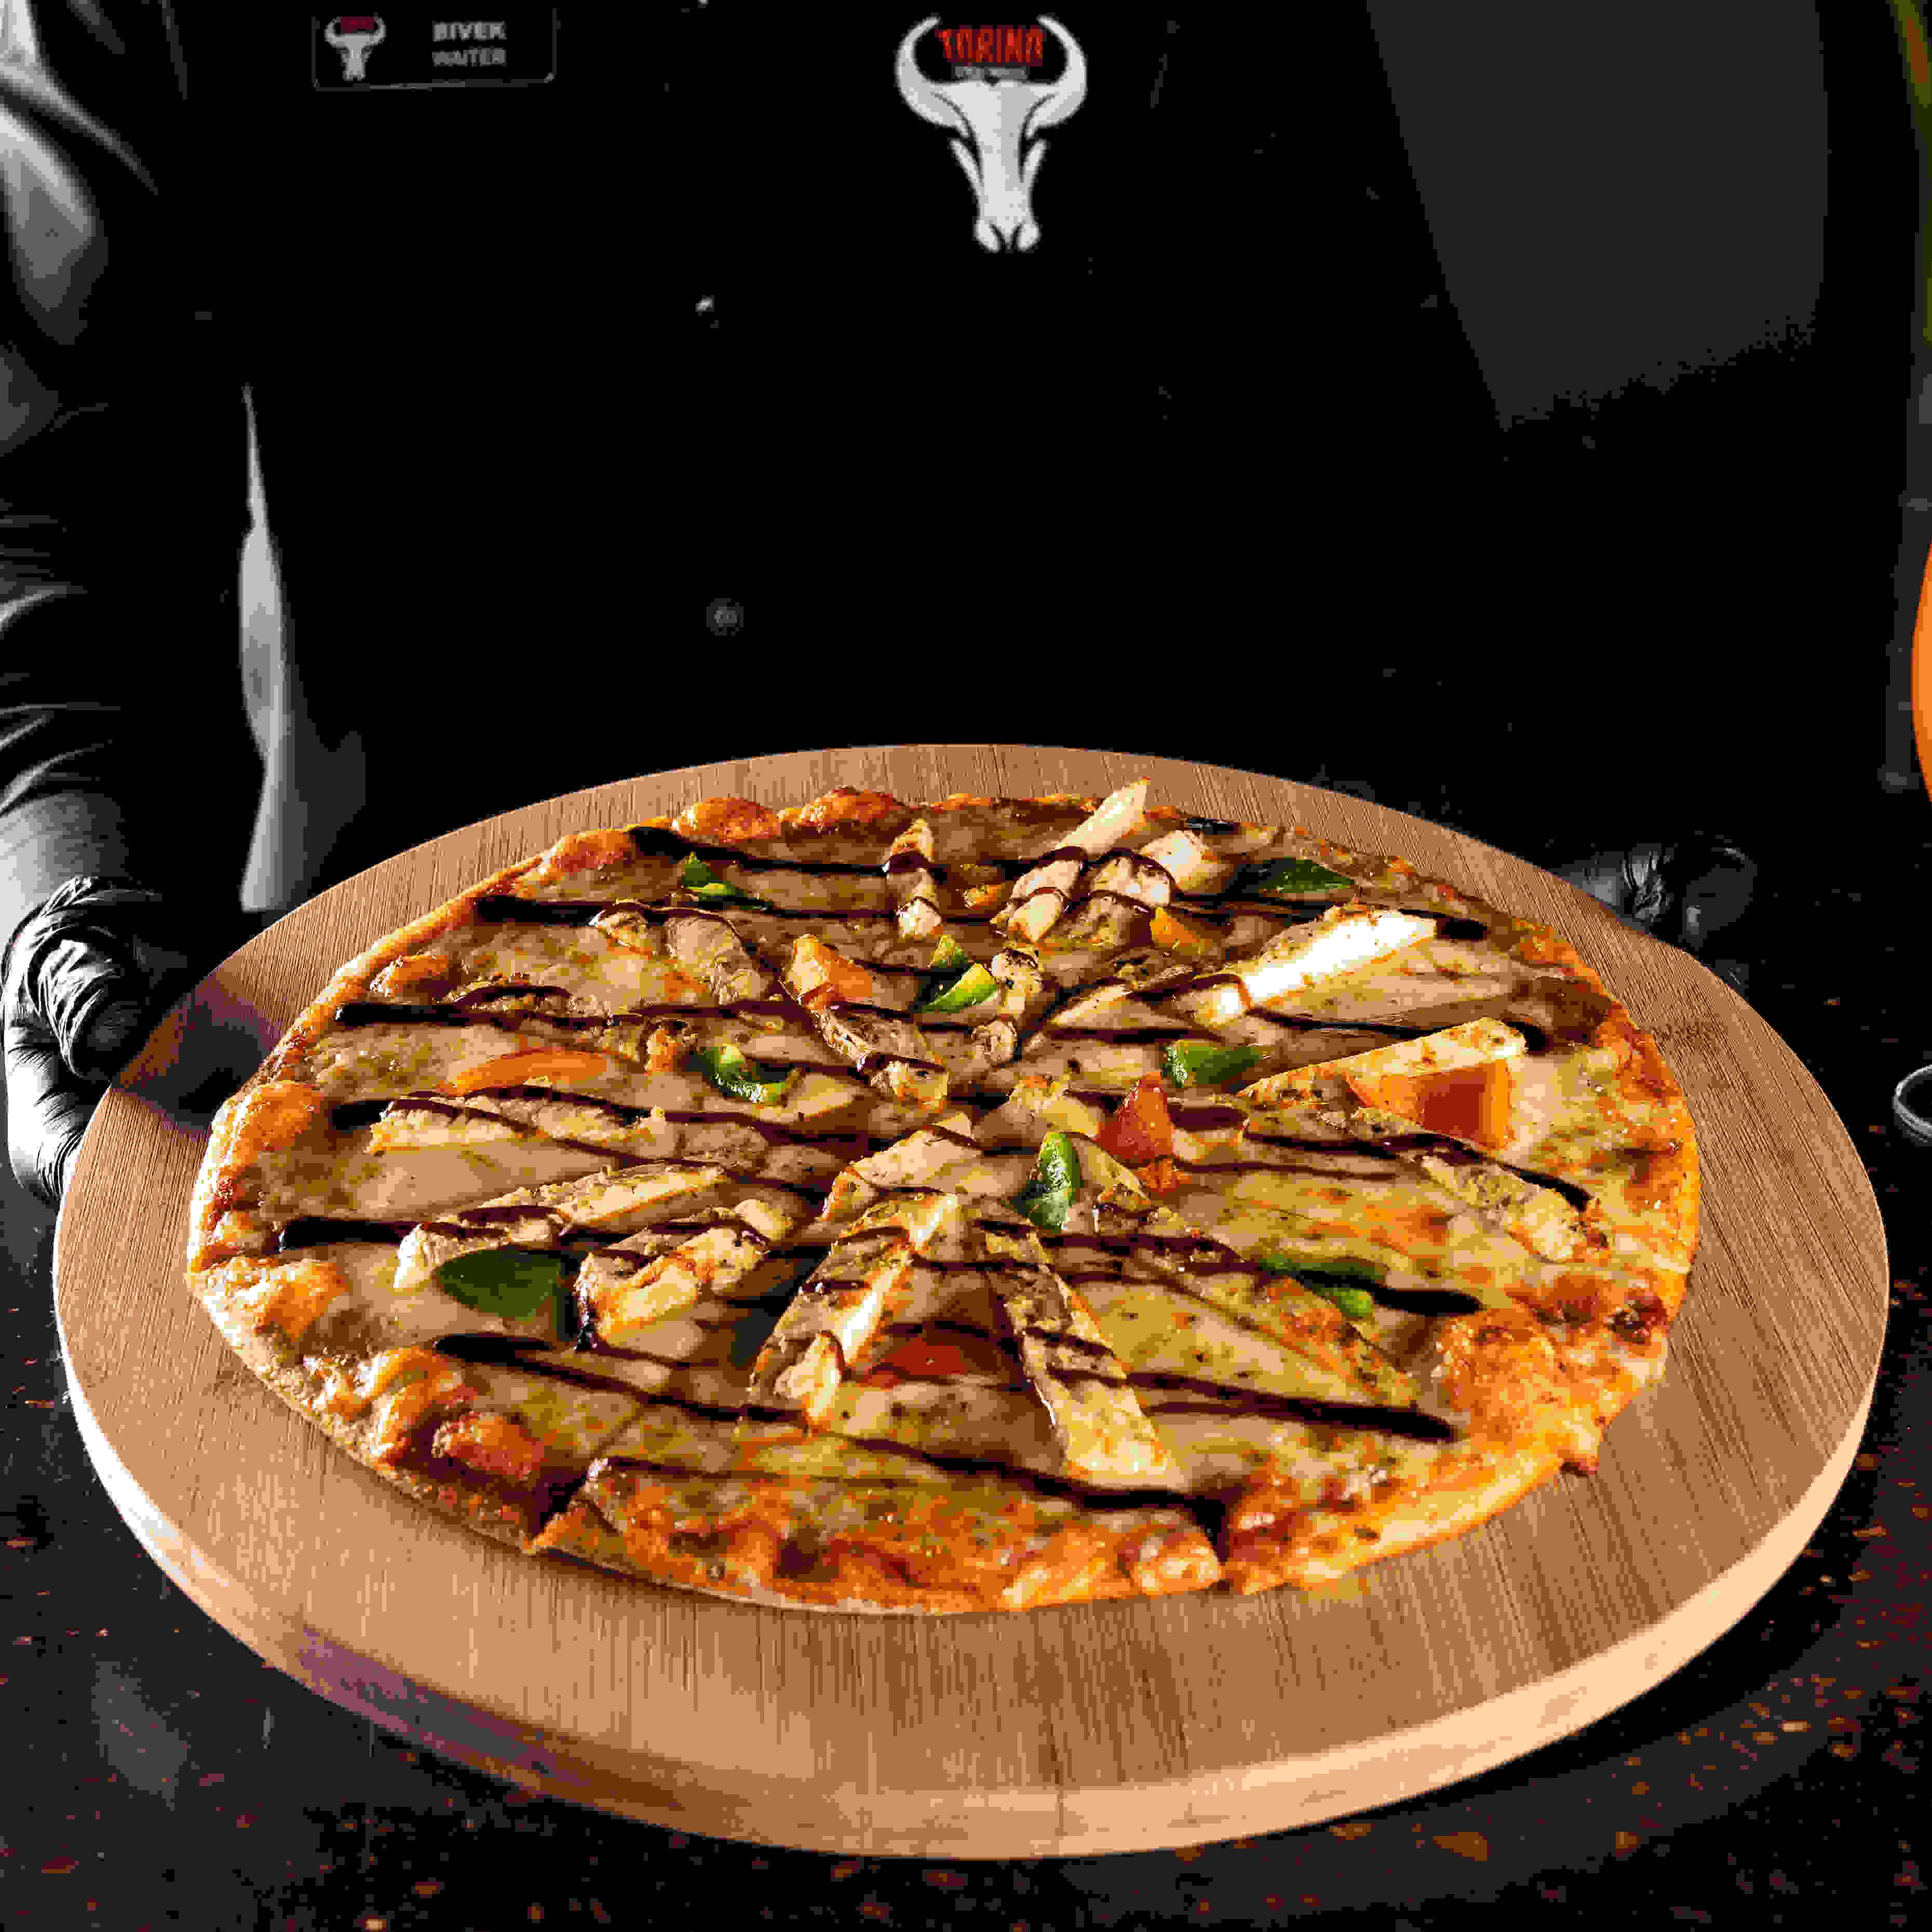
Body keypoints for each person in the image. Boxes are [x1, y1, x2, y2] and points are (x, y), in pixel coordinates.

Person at [0, 4, 1768, 1212]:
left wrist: (1476, 869)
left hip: (1126, 1067)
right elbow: (32, 483)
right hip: (427, 1054)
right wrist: (62, 902)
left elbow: (1362, 437)